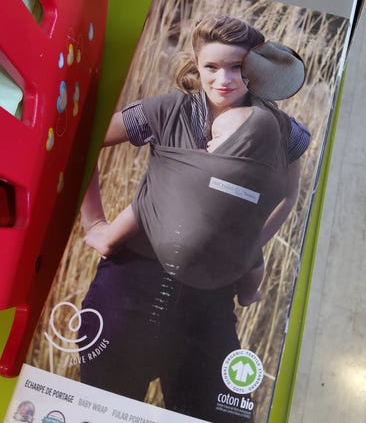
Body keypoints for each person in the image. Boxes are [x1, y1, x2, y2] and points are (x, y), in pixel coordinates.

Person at [79, 15, 311, 422]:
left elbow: (287, 198)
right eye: (212, 67)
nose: (224, 79)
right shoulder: (167, 110)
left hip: (212, 297)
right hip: (131, 284)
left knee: (224, 413)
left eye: (237, 67)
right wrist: (94, 223)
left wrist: (247, 246)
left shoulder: (283, 132)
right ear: (197, 64)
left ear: (258, 68)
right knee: (101, 411)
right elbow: (85, 142)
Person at [83, 105, 264, 306]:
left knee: (145, 208)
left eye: (217, 137)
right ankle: (249, 294)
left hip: (170, 246)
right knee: (252, 255)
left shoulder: (198, 168)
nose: (209, 142)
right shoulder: (248, 187)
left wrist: (104, 233)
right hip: (215, 260)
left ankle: (107, 238)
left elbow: (143, 210)